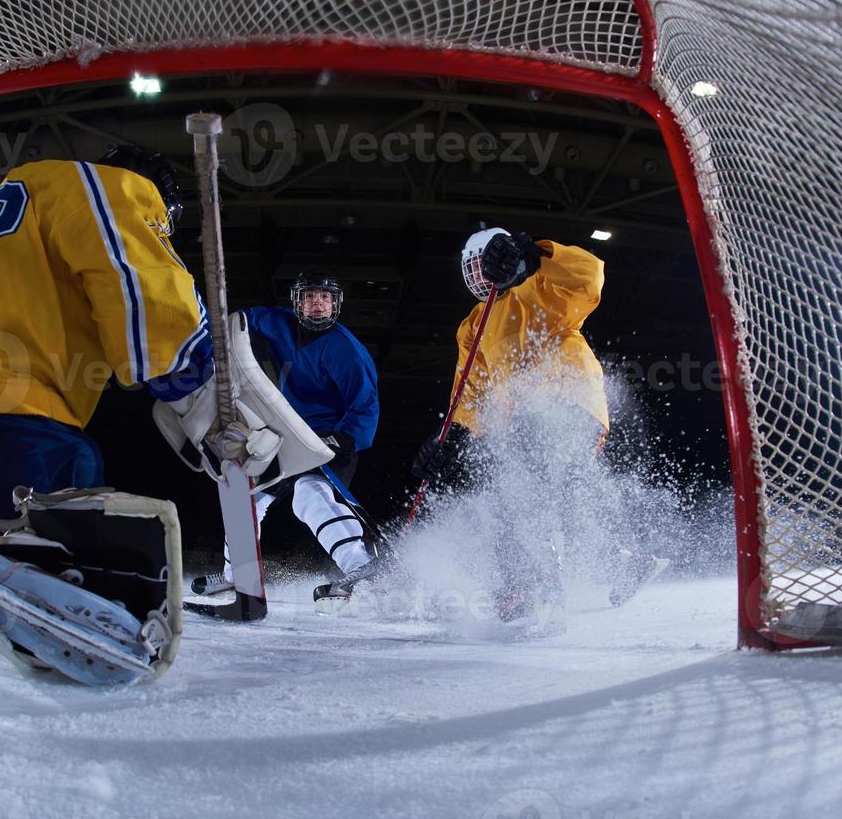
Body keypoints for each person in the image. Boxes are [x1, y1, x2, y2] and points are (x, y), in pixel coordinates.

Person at [0, 146, 240, 555]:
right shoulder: (110, 189)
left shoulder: (22, 193)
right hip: (2, 422)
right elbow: (149, 301)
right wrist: (198, 390)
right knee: (66, 562)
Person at [410, 227, 665, 616]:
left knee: (522, 485)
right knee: (548, 495)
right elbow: (470, 393)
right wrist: (450, 439)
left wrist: (535, 257)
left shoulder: (540, 288)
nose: (483, 275)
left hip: (567, 400)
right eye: (474, 269)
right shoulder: (472, 327)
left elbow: (589, 276)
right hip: (520, 424)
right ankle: (622, 563)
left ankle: (530, 585)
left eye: (488, 265)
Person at [190, 269, 381, 596]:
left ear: (336, 304)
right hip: (285, 433)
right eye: (309, 297)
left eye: (325, 298)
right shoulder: (277, 321)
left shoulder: (347, 350)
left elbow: (365, 405)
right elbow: (241, 320)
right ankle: (237, 574)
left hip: (327, 440)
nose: (317, 304)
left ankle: (360, 568)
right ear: (297, 302)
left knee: (309, 494)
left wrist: (343, 439)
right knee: (244, 494)